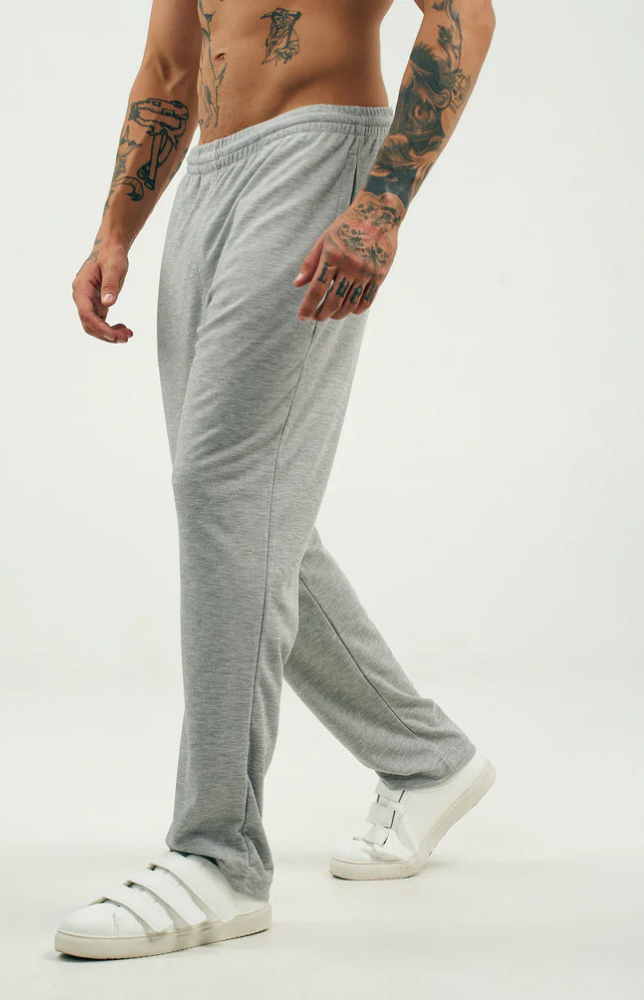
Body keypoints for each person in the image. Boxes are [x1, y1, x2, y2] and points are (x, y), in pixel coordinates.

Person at [57, 0, 497, 961]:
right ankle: (425, 760)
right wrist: (116, 227)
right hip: (208, 179)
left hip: (317, 150)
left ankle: (218, 853)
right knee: (250, 512)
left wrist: (380, 204)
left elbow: (463, 13)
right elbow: (170, 69)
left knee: (224, 492)